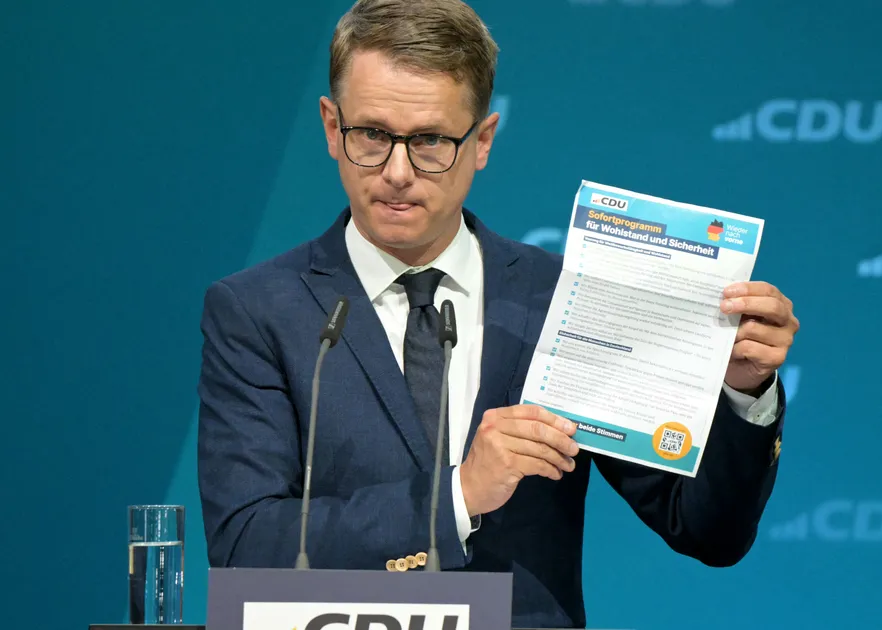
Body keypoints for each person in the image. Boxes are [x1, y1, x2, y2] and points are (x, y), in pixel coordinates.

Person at [196, 0, 800, 627]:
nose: (397, 172)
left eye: (430, 140)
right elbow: (245, 546)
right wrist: (458, 495)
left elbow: (706, 530)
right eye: (372, 134)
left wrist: (743, 390)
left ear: (482, 140)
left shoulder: (560, 297)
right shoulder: (259, 311)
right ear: (331, 126)